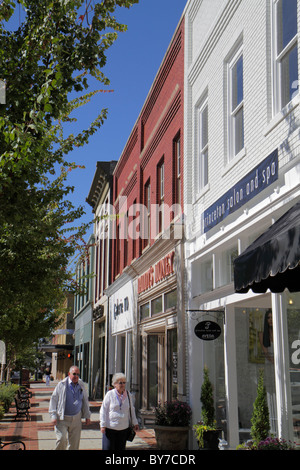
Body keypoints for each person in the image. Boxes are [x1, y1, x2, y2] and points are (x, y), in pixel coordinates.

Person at [49, 365, 91, 450]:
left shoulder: (81, 384)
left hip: (76, 418)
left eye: (78, 374)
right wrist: (53, 415)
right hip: (62, 418)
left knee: (74, 444)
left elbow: (85, 400)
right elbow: (53, 399)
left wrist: (87, 416)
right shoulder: (62, 385)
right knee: (61, 440)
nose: (76, 376)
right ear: (69, 374)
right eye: (74, 374)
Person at [100, 373, 139, 450]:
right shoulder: (110, 394)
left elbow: (131, 410)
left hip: (123, 429)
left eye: (124, 382)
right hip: (110, 427)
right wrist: (102, 424)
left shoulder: (128, 395)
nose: (122, 385)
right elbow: (103, 410)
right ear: (114, 384)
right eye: (120, 382)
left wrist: (135, 423)